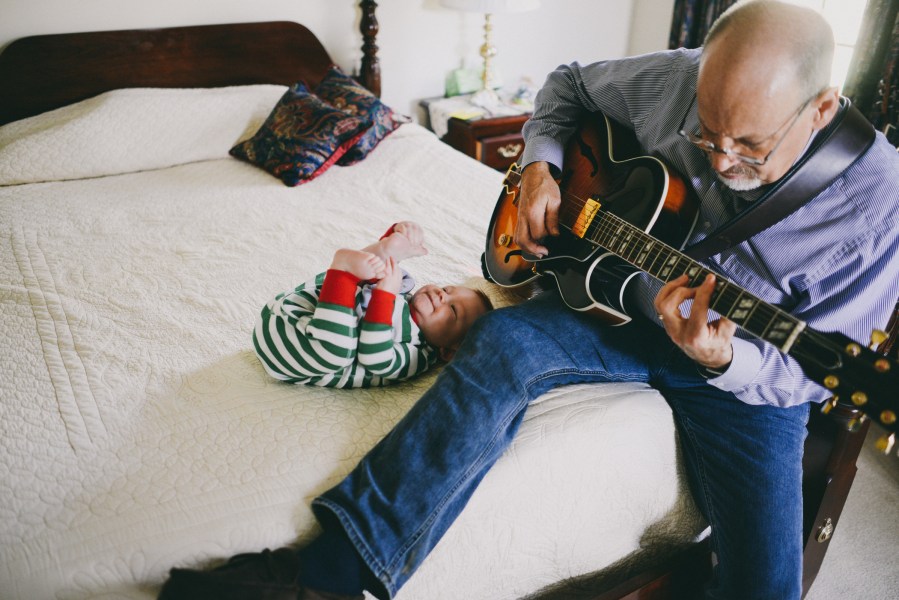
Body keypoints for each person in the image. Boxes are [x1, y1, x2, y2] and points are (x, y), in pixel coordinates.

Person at [158, 1, 899, 599]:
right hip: (613, 307)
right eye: (705, 135)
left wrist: (722, 359)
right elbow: (567, 84)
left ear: (820, 108)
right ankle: (328, 576)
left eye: (749, 147)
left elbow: (803, 378)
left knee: (767, 589)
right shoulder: (678, 78)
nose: (722, 159)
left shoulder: (878, 208)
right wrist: (541, 165)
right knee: (501, 341)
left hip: (739, 378)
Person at [253, 221, 492, 388]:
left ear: (448, 351)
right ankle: (383, 250)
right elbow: (372, 275)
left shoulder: (418, 354)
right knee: (372, 274)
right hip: (296, 309)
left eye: (453, 310)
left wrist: (384, 295)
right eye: (447, 290)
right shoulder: (403, 292)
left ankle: (343, 271)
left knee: (338, 352)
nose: (442, 296)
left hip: (294, 351)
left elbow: (374, 356)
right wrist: (394, 247)